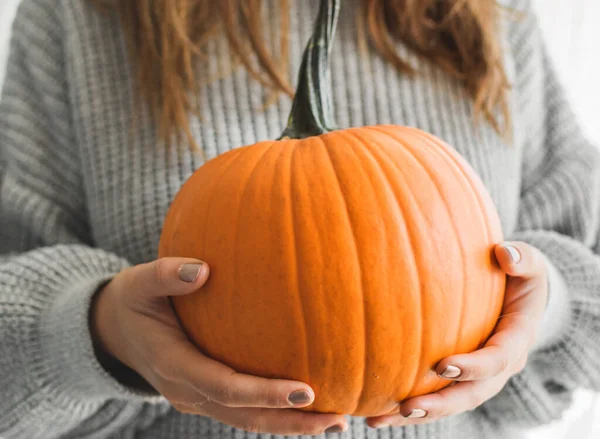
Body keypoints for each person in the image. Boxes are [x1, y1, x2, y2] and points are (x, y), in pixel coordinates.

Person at [1, 0, 599, 437]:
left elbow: (587, 289)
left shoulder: (486, 12)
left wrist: (544, 311)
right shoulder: (78, 14)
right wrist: (101, 333)